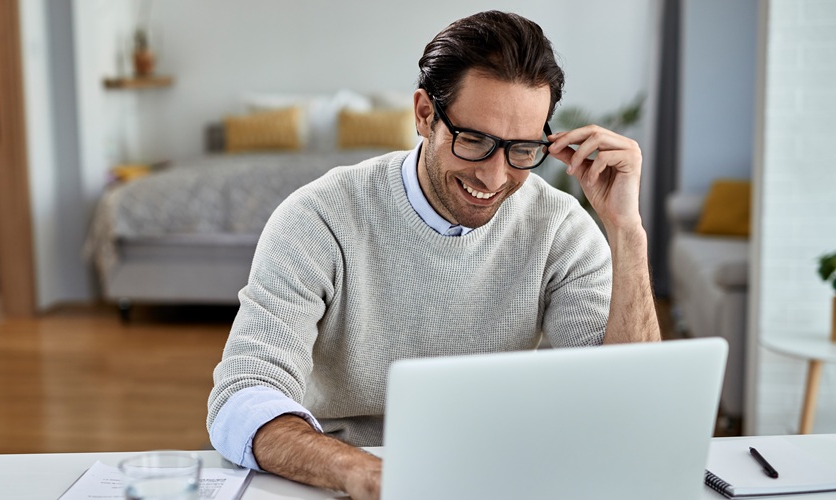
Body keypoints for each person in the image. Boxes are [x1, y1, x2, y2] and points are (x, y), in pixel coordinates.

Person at [207, 10, 660, 500]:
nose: (494, 176)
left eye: (522, 149)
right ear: (424, 114)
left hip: (500, 479)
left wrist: (627, 232)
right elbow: (241, 399)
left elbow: (627, 409)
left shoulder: (560, 229)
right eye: (474, 141)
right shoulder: (319, 218)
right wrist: (365, 474)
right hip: (339, 482)